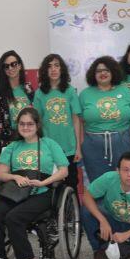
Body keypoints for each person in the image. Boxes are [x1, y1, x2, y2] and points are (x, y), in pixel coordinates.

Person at [0, 108, 70, 259]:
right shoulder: (12, 147)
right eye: (22, 124)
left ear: (37, 125)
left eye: (30, 124)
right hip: (15, 190)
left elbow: (63, 171)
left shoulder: (49, 144)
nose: (26, 127)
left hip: (42, 191)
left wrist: (43, 182)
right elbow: (1, 174)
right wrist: (15, 177)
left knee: (13, 217)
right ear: (18, 126)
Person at [78, 56, 130, 183]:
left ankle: (124, 204)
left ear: (113, 72)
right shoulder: (85, 94)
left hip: (122, 144)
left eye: (107, 70)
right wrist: (81, 144)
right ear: (93, 74)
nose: (103, 73)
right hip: (92, 147)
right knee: (97, 185)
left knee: (125, 182)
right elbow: (79, 122)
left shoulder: (125, 91)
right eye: (99, 71)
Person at [32, 54, 82, 190]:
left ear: (62, 69)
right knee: (51, 185)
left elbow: (76, 120)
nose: (53, 69)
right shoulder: (39, 94)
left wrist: (78, 147)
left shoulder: (70, 91)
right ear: (44, 71)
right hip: (49, 147)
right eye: (49, 66)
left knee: (71, 183)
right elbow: (36, 123)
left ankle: (72, 211)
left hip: (69, 147)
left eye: (56, 65)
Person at [0, 50, 34, 152]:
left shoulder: (28, 88)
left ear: (19, 66)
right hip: (11, 144)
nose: (10, 68)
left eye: (13, 64)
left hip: (31, 140)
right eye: (6, 66)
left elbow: (36, 114)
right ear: (3, 70)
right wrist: (2, 151)